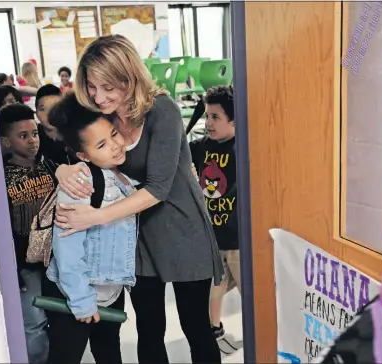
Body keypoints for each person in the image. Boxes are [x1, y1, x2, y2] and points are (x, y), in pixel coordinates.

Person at [53, 34, 223, 364]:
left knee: (195, 328)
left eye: (108, 87)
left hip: (182, 230)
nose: (99, 96)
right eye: (91, 86)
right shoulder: (101, 115)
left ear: (129, 79)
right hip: (138, 236)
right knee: (149, 329)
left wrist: (95, 217)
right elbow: (57, 136)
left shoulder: (163, 111)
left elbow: (159, 188)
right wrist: (60, 168)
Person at [42, 91, 138, 364]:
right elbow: (67, 249)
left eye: (114, 135)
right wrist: (82, 299)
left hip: (109, 290)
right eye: (101, 145)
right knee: (65, 356)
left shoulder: (122, 174)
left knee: (109, 353)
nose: (115, 146)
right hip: (73, 292)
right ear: (83, 155)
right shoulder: (80, 184)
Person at [0, 103, 57, 364]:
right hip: (25, 267)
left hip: (58, 261)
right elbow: (1, 230)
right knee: (33, 323)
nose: (33, 140)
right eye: (23, 136)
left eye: (35, 133)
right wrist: (11, 269)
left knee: (59, 319)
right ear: (5, 141)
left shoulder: (52, 168)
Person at [189, 85, 241, 343]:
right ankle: (214, 328)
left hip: (239, 240)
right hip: (212, 236)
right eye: (207, 116)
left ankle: (262, 337)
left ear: (234, 119)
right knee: (215, 286)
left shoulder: (243, 147)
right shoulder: (200, 148)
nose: (208, 122)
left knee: (249, 290)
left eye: (215, 117)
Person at [34, 84, 77, 166]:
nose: (49, 114)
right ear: (36, 114)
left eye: (55, 107)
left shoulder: (75, 133)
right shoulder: (33, 138)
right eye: (43, 109)